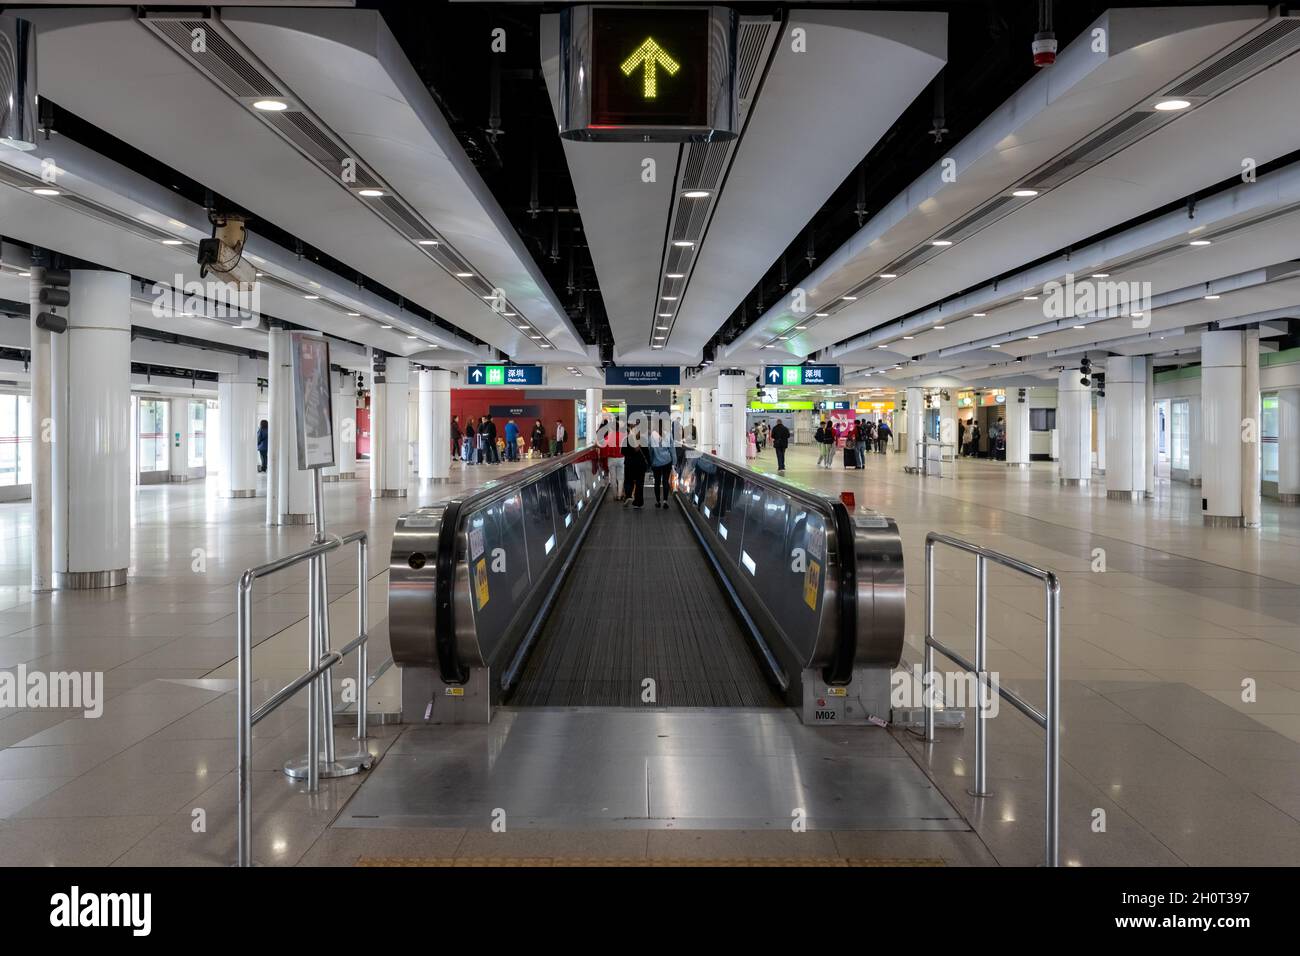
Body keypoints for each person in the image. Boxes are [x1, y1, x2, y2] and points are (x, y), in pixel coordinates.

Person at [622, 422, 649, 508]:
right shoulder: (643, 440)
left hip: (629, 464)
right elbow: (647, 454)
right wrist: (649, 464)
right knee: (639, 483)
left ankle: (628, 495)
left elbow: (623, 452)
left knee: (628, 480)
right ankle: (638, 502)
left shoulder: (626, 440)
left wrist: (631, 451)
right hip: (640, 465)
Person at [649, 424, 674, 509]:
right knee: (665, 481)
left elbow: (650, 450)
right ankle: (665, 501)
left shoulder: (652, 435)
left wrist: (651, 461)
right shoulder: (668, 434)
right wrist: (674, 462)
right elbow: (672, 449)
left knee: (657, 482)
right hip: (667, 461)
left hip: (656, 463)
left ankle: (658, 502)